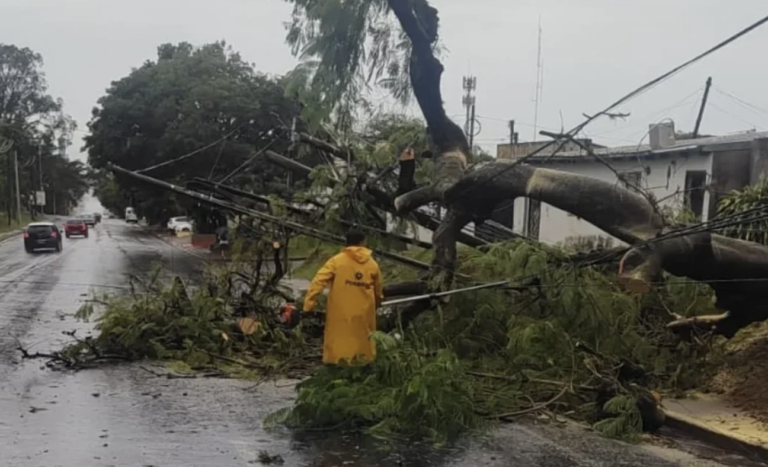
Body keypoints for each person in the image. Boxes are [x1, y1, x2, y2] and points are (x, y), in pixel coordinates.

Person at [302, 229, 384, 365]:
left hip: (339, 313)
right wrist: (378, 303)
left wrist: (308, 305)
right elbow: (378, 290)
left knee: (339, 344)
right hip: (364, 313)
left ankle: (336, 368)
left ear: (346, 244)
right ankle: (364, 367)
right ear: (363, 243)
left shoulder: (336, 261)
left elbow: (318, 281)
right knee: (364, 344)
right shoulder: (372, 265)